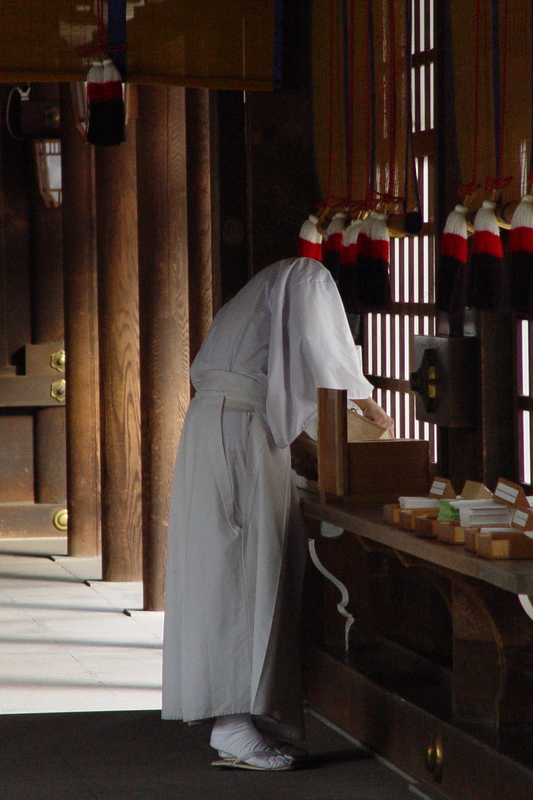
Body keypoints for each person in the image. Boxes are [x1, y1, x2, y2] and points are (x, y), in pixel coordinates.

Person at [161, 257, 393, 771]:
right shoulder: (310, 278)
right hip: (237, 433)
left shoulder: (267, 282)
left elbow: (294, 370)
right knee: (242, 572)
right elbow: (321, 355)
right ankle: (232, 722)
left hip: (226, 427)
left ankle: (247, 712)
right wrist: (364, 400)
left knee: (241, 567)